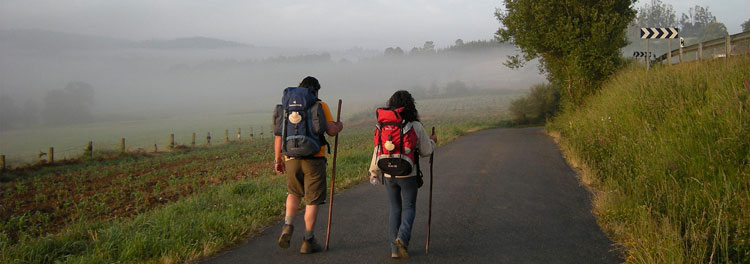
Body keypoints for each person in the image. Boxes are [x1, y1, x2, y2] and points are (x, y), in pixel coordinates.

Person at [274, 76, 343, 254]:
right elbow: (331, 131)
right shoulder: (320, 105)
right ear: (316, 90)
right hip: (314, 159)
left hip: (291, 159)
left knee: (293, 193)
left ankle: (288, 225)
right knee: (312, 200)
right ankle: (308, 240)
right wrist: (339, 126)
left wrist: (278, 159)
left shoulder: (287, 108)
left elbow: (279, 135)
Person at [369, 90, 437, 259]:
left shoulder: (383, 125)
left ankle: (394, 249)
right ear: (411, 105)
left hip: (388, 174)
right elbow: (426, 151)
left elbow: (377, 151)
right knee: (409, 208)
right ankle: (402, 238)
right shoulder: (415, 125)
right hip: (409, 174)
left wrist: (374, 172)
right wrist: (433, 141)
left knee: (394, 209)